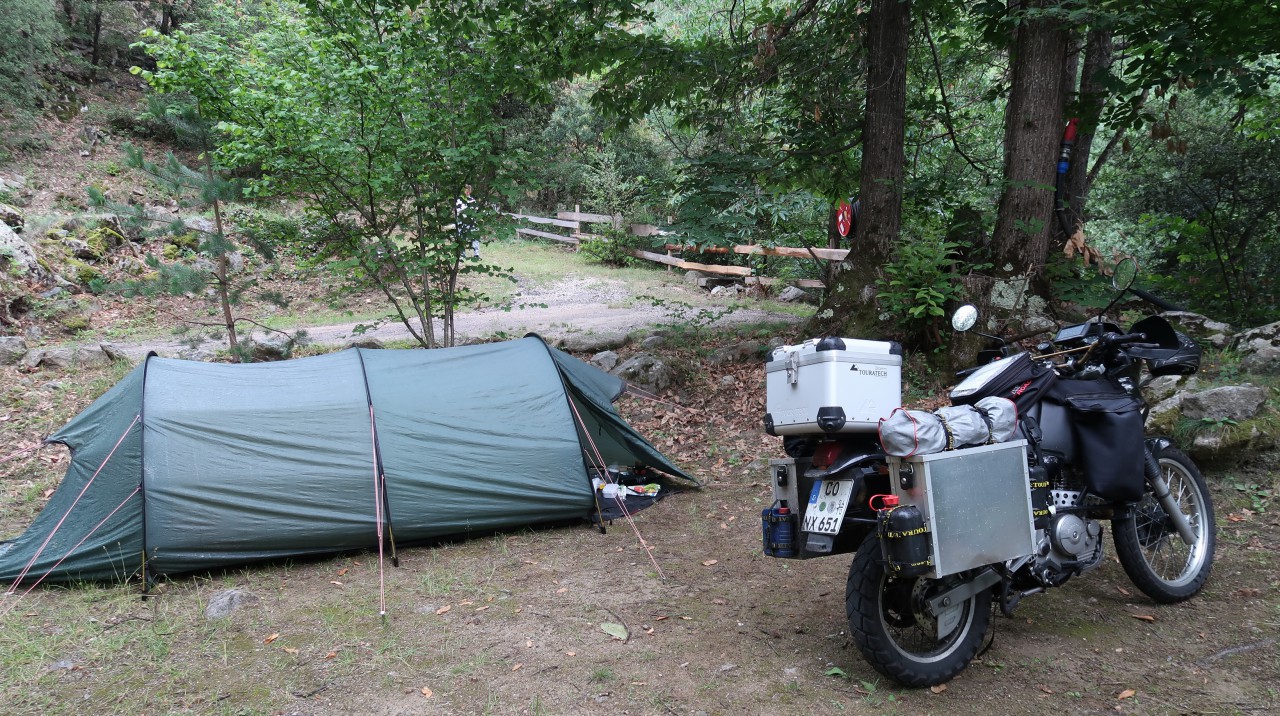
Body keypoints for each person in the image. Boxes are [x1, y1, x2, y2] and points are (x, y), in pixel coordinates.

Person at [455, 184, 479, 259]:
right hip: (462, 221)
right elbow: (458, 211)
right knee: (461, 237)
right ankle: (462, 254)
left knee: (475, 236)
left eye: (469, 189)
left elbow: (476, 210)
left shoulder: (472, 200)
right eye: (466, 189)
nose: (468, 191)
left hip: (471, 221)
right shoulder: (458, 200)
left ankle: (476, 254)